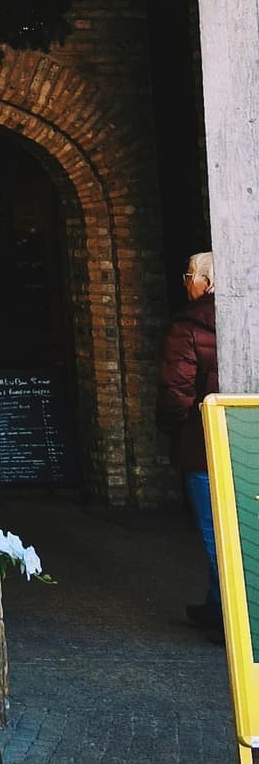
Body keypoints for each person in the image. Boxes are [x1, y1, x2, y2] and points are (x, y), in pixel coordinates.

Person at [157, 251, 220, 639]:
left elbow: (175, 391)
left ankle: (233, 619)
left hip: (204, 444)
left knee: (215, 531)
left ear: (207, 283)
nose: (186, 283)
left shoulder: (189, 326)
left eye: (190, 276)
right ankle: (217, 607)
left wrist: (179, 428)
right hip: (245, 434)